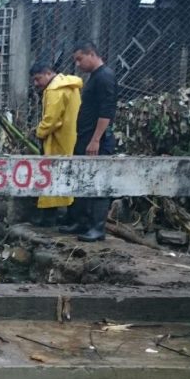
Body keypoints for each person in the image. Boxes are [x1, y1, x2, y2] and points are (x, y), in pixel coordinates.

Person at [59, 41, 116, 241]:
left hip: (97, 140)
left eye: (79, 59)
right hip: (85, 137)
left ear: (91, 54)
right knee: (80, 179)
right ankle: (81, 221)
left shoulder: (105, 77)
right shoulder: (94, 77)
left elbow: (106, 111)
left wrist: (96, 140)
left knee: (98, 181)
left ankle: (98, 227)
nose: (77, 64)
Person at [29, 61, 81, 226]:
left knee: (50, 176)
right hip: (70, 136)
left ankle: (48, 218)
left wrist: (39, 132)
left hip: (57, 139)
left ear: (47, 74)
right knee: (69, 176)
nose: (37, 84)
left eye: (38, 79)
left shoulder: (53, 90)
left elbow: (51, 120)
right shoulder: (70, 85)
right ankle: (70, 216)